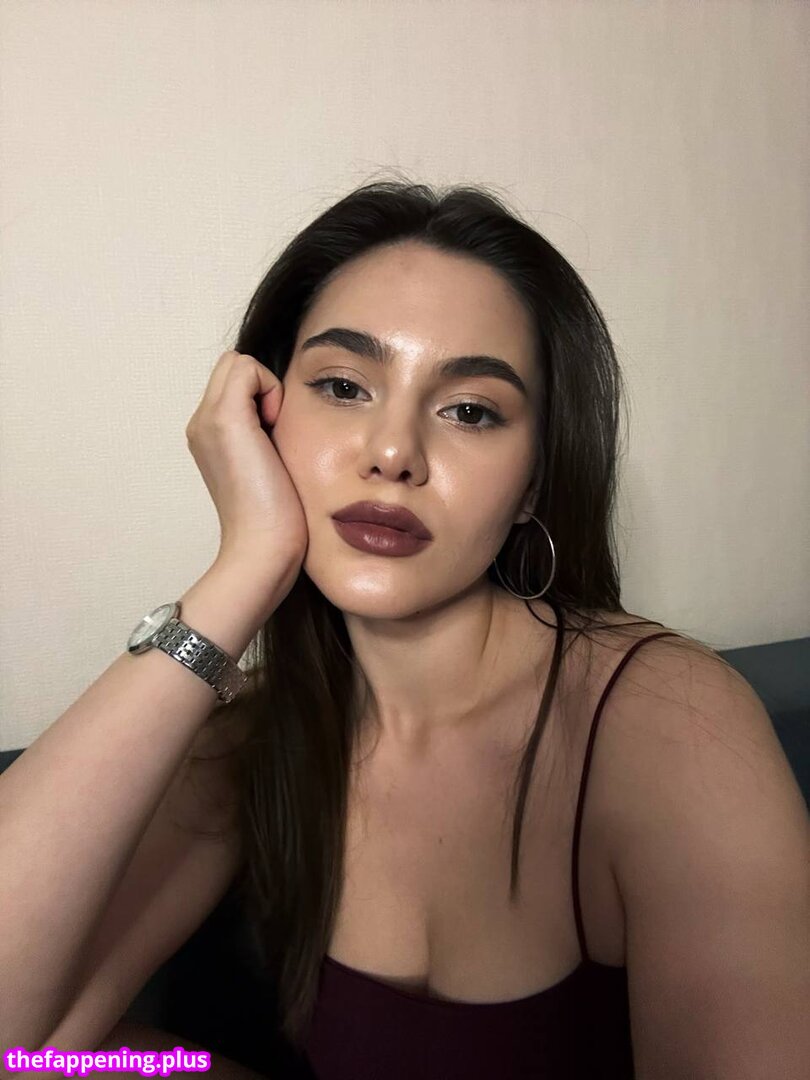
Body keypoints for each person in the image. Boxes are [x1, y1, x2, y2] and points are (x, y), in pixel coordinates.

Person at [1, 180, 806, 1080]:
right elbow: (26, 1049)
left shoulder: (668, 721)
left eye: (470, 410)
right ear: (263, 422)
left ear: (534, 482)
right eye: (344, 387)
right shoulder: (256, 737)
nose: (393, 453)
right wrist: (244, 569)